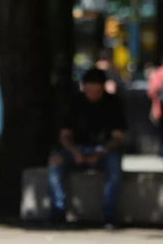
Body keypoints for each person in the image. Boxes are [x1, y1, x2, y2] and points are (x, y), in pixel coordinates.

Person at [48, 68, 126, 228]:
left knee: (115, 168)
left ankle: (109, 215)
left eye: (97, 91)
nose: (93, 96)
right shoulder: (75, 103)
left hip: (104, 151)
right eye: (90, 91)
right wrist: (73, 151)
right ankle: (58, 211)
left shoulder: (113, 103)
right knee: (55, 163)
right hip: (76, 150)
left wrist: (102, 151)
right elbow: (64, 135)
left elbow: (118, 137)